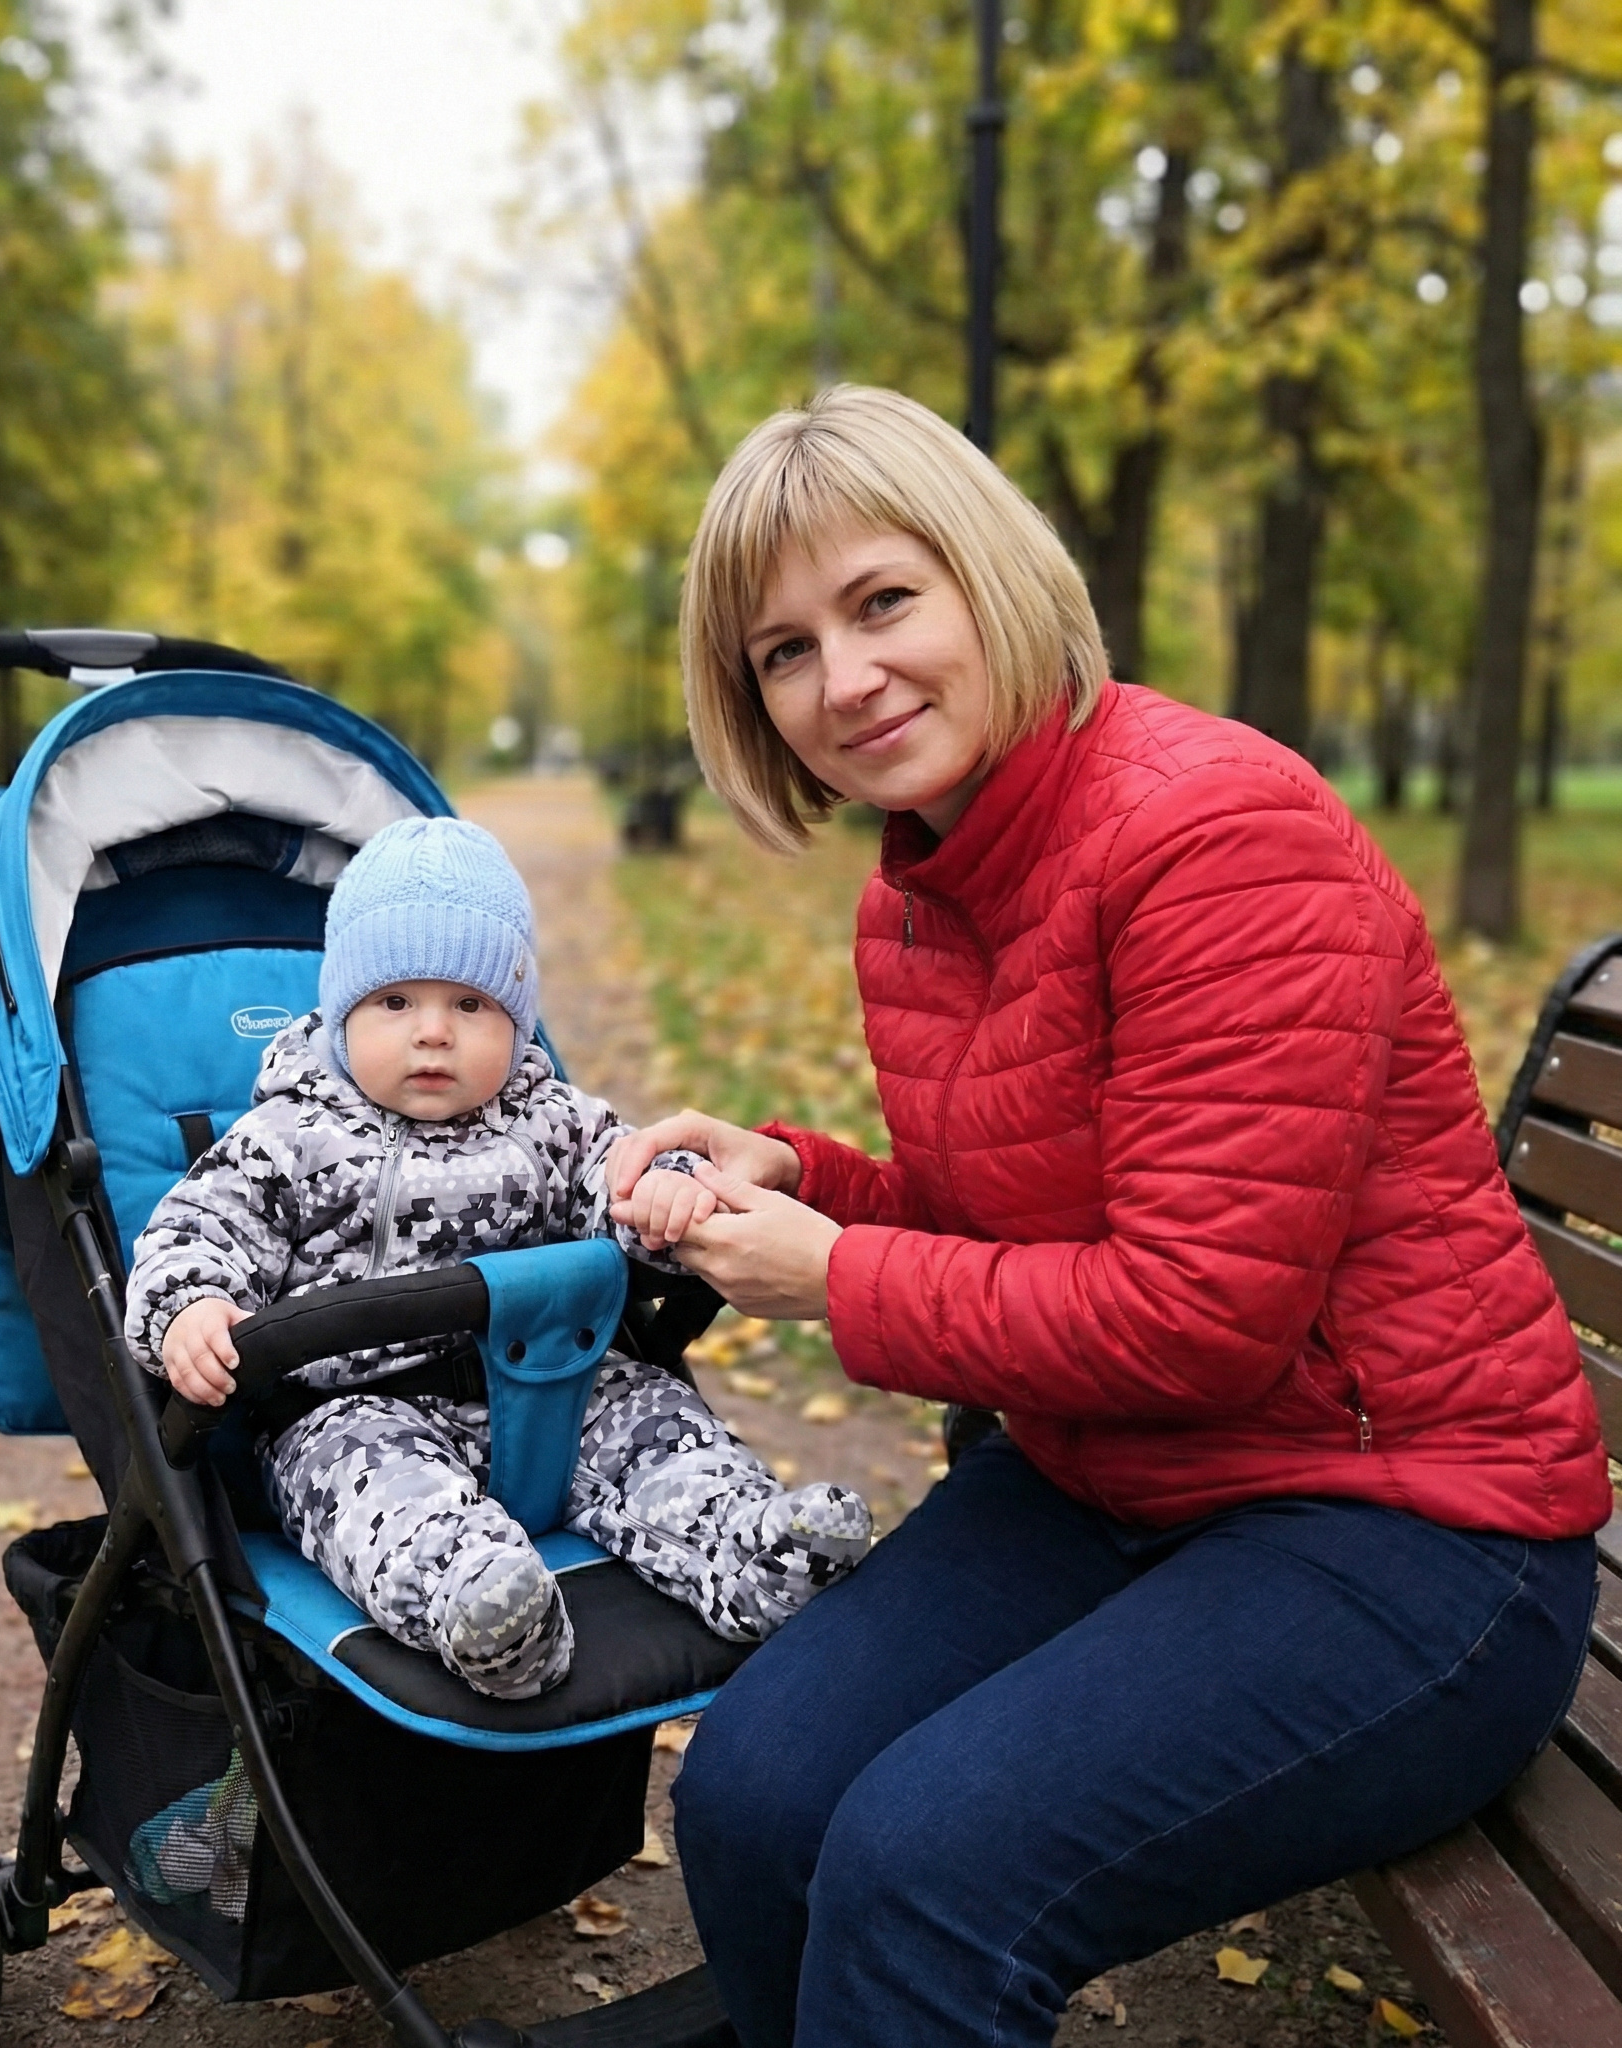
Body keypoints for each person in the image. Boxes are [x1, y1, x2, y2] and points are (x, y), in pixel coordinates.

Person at [605, 384, 1609, 2048]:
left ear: (987, 575)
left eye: (881, 600)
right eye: (783, 650)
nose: (844, 678)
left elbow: (1201, 1317)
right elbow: (1006, 1227)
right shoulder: (920, 892)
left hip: (1412, 1530)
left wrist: (836, 1277)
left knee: (924, 1871)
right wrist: (799, 1177)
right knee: (755, 1788)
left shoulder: (1217, 835)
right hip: (1118, 1474)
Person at [124, 814, 871, 1706]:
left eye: (471, 1005)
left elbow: (619, 1172)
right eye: (396, 1003)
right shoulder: (289, 1137)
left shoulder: (550, 1118)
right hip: (360, 1411)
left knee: (657, 1423)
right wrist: (191, 1306)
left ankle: (747, 1549)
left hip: (553, 1384)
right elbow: (196, 1228)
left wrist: (665, 1193)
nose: (433, 1033)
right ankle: (484, 1610)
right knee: (372, 1497)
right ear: (340, 1012)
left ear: (517, 1021)